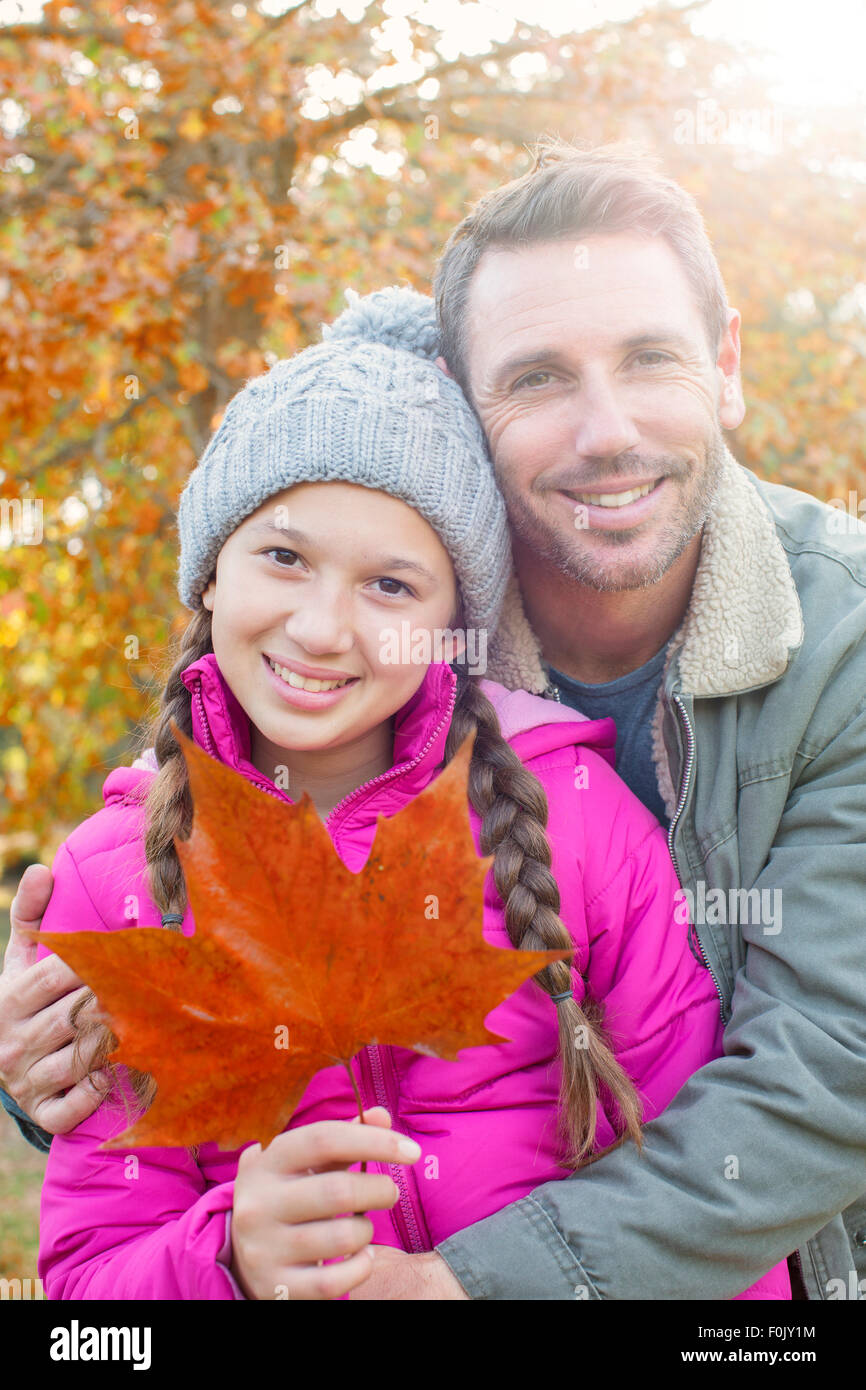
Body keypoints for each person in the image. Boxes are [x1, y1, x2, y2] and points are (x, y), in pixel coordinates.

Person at [26, 287, 787, 1300]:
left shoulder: (576, 819)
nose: (321, 628)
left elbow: (704, 1195)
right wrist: (227, 1259)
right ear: (208, 574)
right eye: (283, 558)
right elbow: (86, 1296)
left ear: (453, 622)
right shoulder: (112, 877)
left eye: (390, 585)